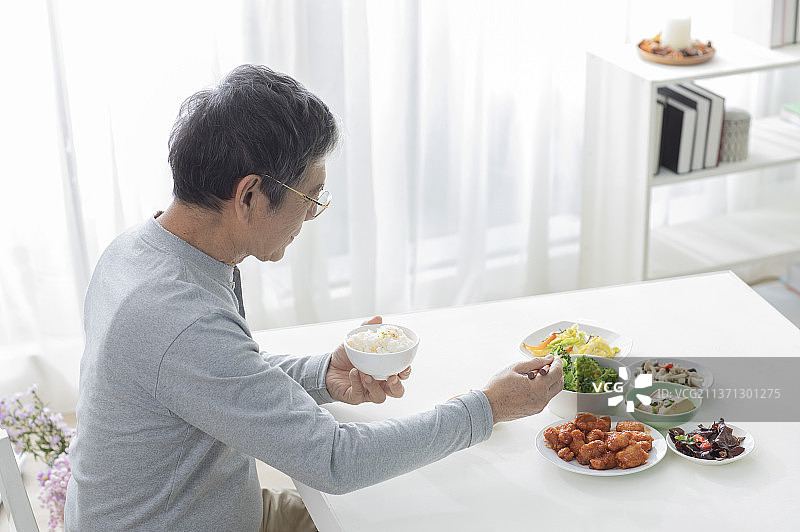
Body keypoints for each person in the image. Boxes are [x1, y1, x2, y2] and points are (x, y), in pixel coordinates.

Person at [64, 64, 563, 531]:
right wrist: (488, 408)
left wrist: (322, 373)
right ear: (249, 196)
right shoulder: (177, 317)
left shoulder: (142, 249)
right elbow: (334, 460)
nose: (311, 216)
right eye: (310, 197)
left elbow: (215, 375)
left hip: (209, 503)